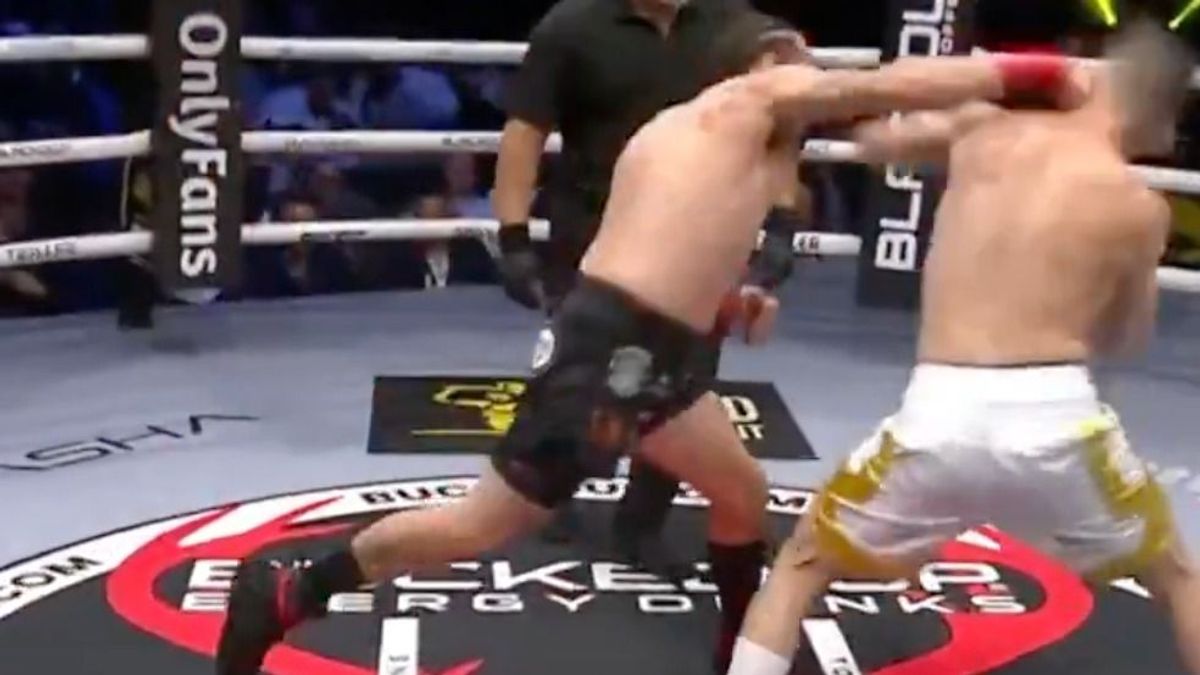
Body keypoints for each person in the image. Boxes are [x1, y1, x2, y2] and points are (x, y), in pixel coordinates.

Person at [216, 38, 1062, 675]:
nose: (806, 84)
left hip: (655, 351)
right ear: (759, 69)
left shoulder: (708, 142)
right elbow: (878, 88)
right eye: (794, 66)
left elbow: (662, 247)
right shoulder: (745, 99)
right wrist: (1025, 74)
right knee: (482, 524)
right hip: (612, 351)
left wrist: (731, 297)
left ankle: (748, 653)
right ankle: (292, 590)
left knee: (741, 491)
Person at [726, 22, 1200, 675]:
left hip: (938, 418)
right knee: (1177, 574)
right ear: (1160, 116)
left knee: (802, 564)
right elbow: (1125, 338)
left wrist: (991, 87)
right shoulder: (1140, 206)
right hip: (1059, 424)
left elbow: (876, 140)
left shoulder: (986, 132)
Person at [493, 0, 757, 553]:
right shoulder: (572, 25)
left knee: (683, 378)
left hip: (696, 234)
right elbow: (525, 131)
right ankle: (550, 495)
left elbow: (774, 124)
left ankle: (642, 526)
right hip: (592, 231)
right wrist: (513, 234)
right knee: (576, 376)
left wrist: (776, 227)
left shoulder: (730, 25)